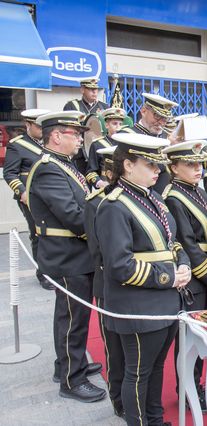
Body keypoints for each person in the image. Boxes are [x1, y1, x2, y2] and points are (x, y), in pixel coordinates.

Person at [96, 132, 191, 426]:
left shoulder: (154, 200)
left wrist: (184, 265)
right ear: (127, 165)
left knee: (156, 366)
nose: (157, 170)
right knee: (138, 372)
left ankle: (155, 418)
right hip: (138, 305)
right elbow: (120, 266)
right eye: (150, 164)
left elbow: (172, 243)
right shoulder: (114, 206)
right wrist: (168, 277)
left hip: (165, 302)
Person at [26, 111, 105, 402]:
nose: (81, 138)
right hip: (67, 256)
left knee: (75, 316)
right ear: (57, 136)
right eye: (75, 134)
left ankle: (69, 365)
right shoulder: (49, 168)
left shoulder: (63, 164)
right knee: (72, 318)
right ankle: (71, 380)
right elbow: (72, 216)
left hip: (75, 253)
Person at [163, 140, 207, 412]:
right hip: (195, 274)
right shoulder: (174, 196)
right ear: (173, 167)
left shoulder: (195, 190)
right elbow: (186, 242)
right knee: (189, 340)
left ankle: (195, 384)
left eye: (199, 163)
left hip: (206, 270)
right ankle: (186, 390)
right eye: (191, 164)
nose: (198, 168)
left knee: (200, 336)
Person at [84, 145, 125, 416]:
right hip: (109, 282)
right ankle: (119, 400)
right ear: (108, 171)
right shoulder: (97, 202)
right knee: (114, 348)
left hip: (135, 286)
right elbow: (99, 250)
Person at [3, 109, 50, 289]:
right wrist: (22, 192)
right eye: (38, 126)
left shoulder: (49, 143)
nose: (41, 130)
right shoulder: (18, 145)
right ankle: (43, 273)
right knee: (38, 233)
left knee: (49, 233)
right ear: (28, 125)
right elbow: (10, 173)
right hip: (29, 197)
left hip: (48, 195)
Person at [120, 92, 178, 194]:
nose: (160, 122)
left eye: (165, 118)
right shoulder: (127, 135)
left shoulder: (164, 137)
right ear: (143, 111)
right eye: (156, 115)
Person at [63, 78, 109, 175]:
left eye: (96, 89)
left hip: (98, 152)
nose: (94, 92)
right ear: (82, 90)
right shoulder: (73, 106)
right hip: (79, 153)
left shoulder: (104, 107)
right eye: (90, 89)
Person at [86, 107, 126, 189]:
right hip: (106, 186)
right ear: (107, 125)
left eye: (120, 124)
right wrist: (99, 183)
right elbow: (90, 172)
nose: (118, 127)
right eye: (115, 124)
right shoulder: (97, 144)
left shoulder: (126, 144)